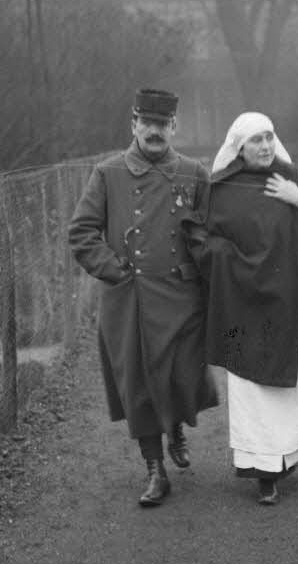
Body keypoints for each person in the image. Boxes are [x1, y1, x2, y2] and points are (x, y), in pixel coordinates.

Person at [183, 112, 298, 505]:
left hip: (290, 304)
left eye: (269, 137)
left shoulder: (291, 179)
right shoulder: (220, 189)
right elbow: (198, 236)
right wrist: (230, 262)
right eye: (255, 140)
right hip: (242, 306)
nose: (263, 146)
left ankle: (287, 459)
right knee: (254, 392)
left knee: (294, 391)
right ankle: (263, 474)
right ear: (238, 146)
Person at [68, 88, 219, 507]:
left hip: (182, 295)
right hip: (130, 297)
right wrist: (114, 269)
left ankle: (175, 428)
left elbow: (211, 231)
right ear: (133, 124)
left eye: (162, 124)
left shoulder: (193, 174)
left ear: (174, 127)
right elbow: (81, 233)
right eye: (146, 123)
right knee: (138, 384)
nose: (154, 132)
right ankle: (155, 470)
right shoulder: (108, 173)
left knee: (181, 373)